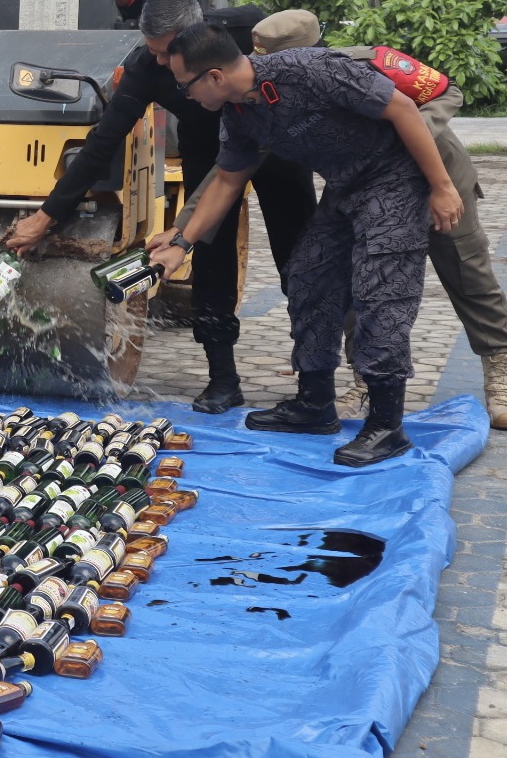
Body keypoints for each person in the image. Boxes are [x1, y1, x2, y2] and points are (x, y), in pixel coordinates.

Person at [152, 23, 463, 467]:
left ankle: (387, 425)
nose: (187, 96)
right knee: (308, 272)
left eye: (186, 86)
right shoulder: (239, 113)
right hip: (346, 185)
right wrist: (181, 244)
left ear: (215, 77)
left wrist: (442, 186)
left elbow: (404, 111)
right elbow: (226, 180)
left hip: (396, 176)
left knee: (381, 290)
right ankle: (316, 404)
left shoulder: (310, 69)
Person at [4, 0, 318, 415]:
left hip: (277, 152)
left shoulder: (247, 32)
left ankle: (315, 381)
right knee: (210, 260)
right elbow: (102, 144)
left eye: (167, 51)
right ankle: (222, 380)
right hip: (209, 158)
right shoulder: (145, 66)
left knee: (302, 259)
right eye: (152, 51)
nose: (160, 62)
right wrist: (47, 215)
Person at [249, 8, 507, 428]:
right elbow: (235, 165)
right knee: (356, 282)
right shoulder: (271, 95)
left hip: (436, 177)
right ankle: (366, 379)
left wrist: (409, 133)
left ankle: (500, 372)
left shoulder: (369, 64)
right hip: (362, 190)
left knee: (467, 273)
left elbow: (447, 91)